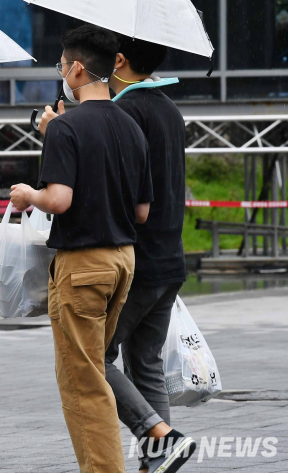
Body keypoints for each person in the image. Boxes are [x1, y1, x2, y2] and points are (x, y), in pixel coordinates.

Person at [10, 25, 152, 473]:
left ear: (74, 69)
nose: (60, 73)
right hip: (123, 260)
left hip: (83, 266)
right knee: (94, 370)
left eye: (60, 66)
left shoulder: (65, 127)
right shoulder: (132, 125)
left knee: (83, 381)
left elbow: (59, 200)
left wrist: (26, 195)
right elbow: (143, 210)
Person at [105, 37, 195, 473]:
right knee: (146, 365)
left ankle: (158, 434)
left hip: (137, 264)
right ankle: (157, 461)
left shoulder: (126, 112)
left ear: (119, 60)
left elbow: (121, 193)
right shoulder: (168, 109)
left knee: (90, 358)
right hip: (169, 261)